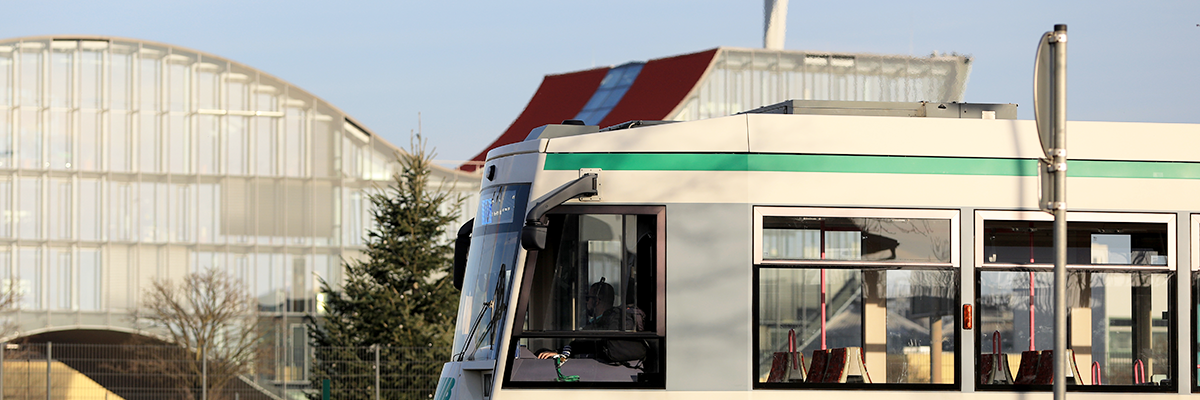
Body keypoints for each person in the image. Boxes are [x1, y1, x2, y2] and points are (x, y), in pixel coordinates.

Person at [536, 278, 645, 360]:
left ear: (596, 301)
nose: (586, 302)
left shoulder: (603, 324)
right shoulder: (604, 320)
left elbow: (585, 345)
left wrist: (561, 353)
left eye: (588, 298)